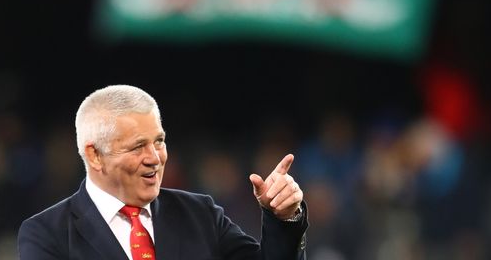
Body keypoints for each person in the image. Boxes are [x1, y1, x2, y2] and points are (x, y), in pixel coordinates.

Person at [18, 85, 308, 260]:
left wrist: (282, 219)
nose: (154, 158)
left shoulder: (200, 214)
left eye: (159, 141)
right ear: (95, 155)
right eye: (137, 146)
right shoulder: (47, 233)